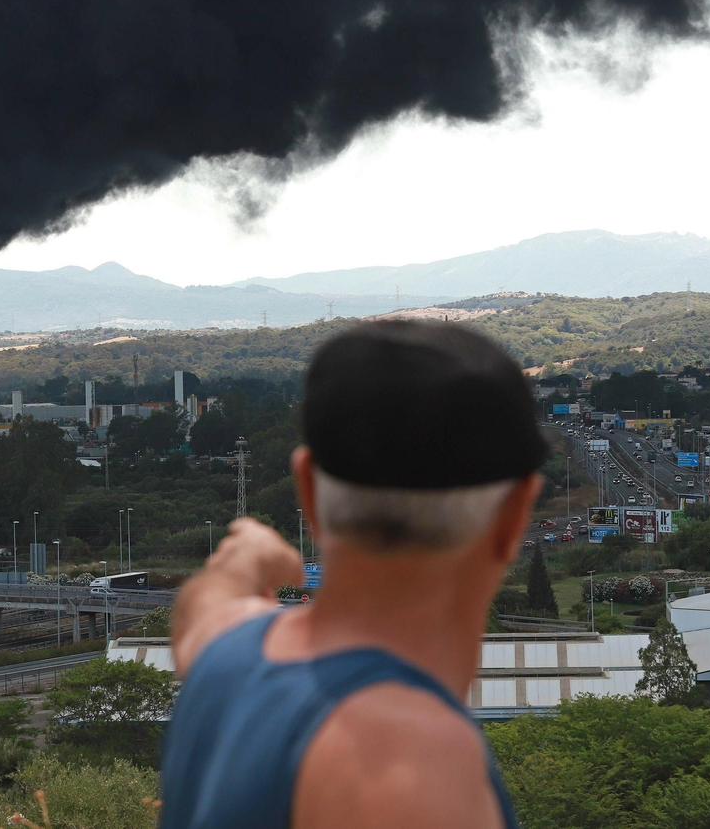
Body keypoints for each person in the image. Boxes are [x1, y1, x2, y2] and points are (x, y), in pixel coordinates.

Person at [160, 321, 546, 829]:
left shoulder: (227, 651)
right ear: (516, 514)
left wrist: (245, 556)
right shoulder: (408, 769)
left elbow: (202, 607)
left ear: (308, 492)